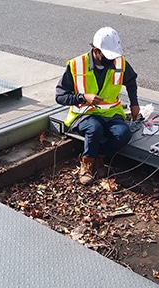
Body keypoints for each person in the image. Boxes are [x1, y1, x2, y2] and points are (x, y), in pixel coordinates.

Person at [55, 26, 140, 185]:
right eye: (107, 55)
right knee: (95, 129)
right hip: (84, 114)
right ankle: (87, 164)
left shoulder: (120, 63)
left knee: (123, 134)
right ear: (96, 50)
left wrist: (134, 103)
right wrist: (83, 97)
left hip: (111, 113)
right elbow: (60, 96)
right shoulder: (76, 65)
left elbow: (131, 82)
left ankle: (98, 157)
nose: (111, 60)